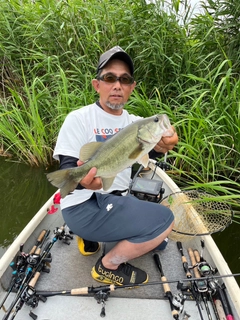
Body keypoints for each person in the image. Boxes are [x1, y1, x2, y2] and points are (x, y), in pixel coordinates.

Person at [53, 46, 178, 286]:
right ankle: (107, 266)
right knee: (165, 221)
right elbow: (69, 166)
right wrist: (83, 180)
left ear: (132, 87)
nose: (117, 85)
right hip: (85, 205)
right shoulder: (78, 118)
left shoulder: (134, 123)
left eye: (125, 79)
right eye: (110, 78)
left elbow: (153, 149)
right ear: (96, 84)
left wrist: (166, 142)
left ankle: (93, 236)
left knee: (160, 242)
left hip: (116, 200)